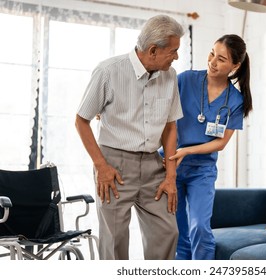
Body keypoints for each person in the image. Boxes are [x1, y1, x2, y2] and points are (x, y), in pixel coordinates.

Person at [75, 14, 184, 260]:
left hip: (153, 165)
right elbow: (81, 120)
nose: (176, 56)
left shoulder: (170, 76)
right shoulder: (108, 71)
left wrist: (171, 175)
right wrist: (101, 166)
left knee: (167, 232)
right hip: (114, 166)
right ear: (154, 50)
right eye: (174, 51)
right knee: (114, 240)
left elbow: (170, 127)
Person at [168, 34, 253, 260]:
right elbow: (156, 104)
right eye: (212, 53)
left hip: (201, 171)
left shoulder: (235, 101)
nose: (212, 62)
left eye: (221, 59)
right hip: (170, 166)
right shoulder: (185, 80)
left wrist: (187, 151)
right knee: (178, 231)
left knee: (200, 227)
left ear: (235, 66)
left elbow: (221, 142)